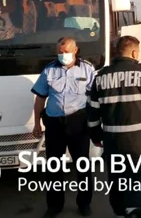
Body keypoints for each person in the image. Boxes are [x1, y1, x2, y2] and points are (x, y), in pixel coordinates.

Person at [87, 35, 141, 218]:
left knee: (116, 179)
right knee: (138, 177)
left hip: (112, 140)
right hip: (139, 140)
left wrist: (95, 136)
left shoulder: (100, 76)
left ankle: (119, 211)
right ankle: (134, 210)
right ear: (134, 52)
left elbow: (92, 112)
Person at [31, 37, 95, 217]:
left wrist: (97, 123)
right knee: (53, 167)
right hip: (54, 124)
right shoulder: (49, 70)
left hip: (78, 123)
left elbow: (95, 97)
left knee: (82, 166)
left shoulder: (87, 69)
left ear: (76, 50)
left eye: (66, 52)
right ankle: (54, 205)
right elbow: (40, 98)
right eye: (60, 52)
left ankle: (84, 203)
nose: (63, 55)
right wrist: (37, 122)